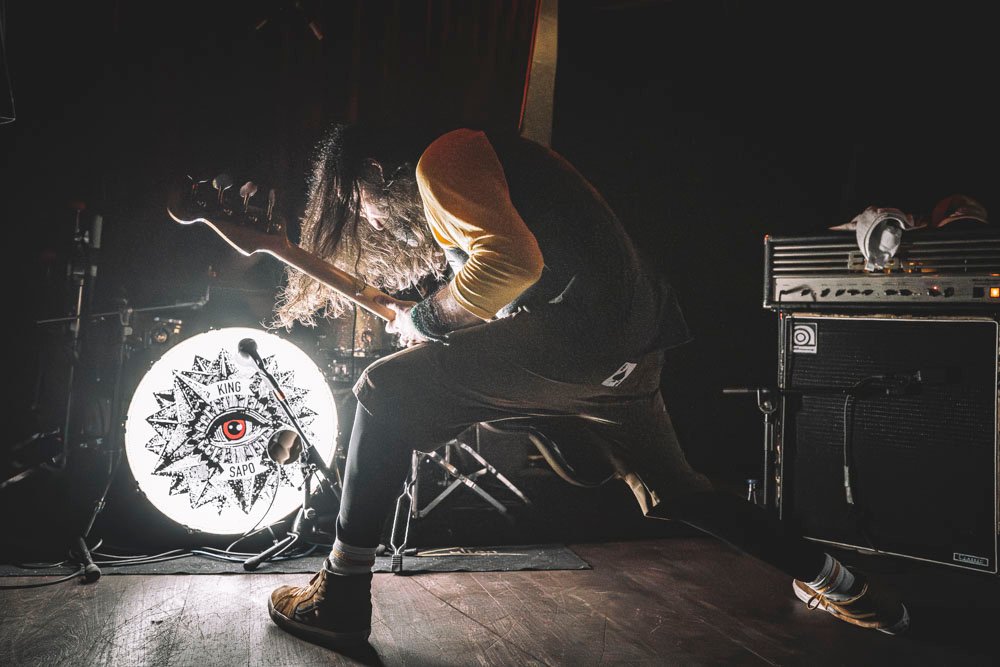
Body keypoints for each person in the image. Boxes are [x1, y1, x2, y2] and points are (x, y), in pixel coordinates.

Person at [266, 122, 910, 649]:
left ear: (374, 169)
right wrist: (440, 321)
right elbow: (522, 281)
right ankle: (850, 588)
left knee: (383, 392)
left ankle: (340, 595)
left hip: (577, 339)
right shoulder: (486, 164)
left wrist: (429, 320)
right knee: (676, 492)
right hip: (631, 345)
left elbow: (512, 264)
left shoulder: (444, 157)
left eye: (360, 204)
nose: (372, 222)